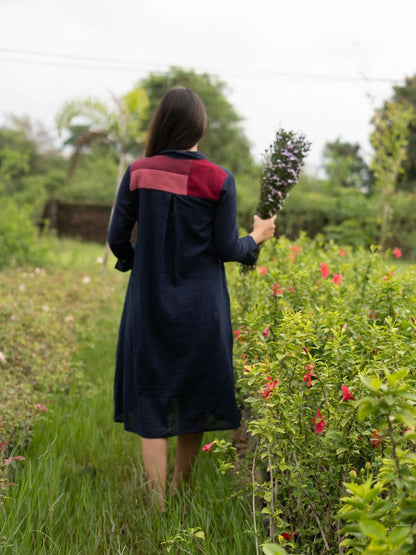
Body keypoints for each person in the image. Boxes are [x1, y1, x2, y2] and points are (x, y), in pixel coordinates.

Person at [107, 87, 276, 509]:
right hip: (203, 309)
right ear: (199, 126)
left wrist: (138, 264)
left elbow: (116, 239)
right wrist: (257, 236)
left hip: (147, 305)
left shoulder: (138, 172)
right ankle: (180, 492)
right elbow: (226, 249)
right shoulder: (218, 178)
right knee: (194, 396)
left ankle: (157, 506)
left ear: (162, 123)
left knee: (151, 396)